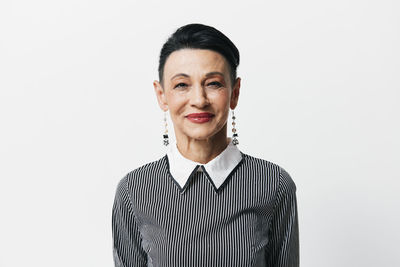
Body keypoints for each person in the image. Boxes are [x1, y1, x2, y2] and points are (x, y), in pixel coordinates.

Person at [112, 23, 299, 267]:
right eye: (182, 85)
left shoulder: (273, 183)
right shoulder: (134, 189)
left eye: (213, 83)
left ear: (235, 92)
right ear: (161, 95)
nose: (199, 100)